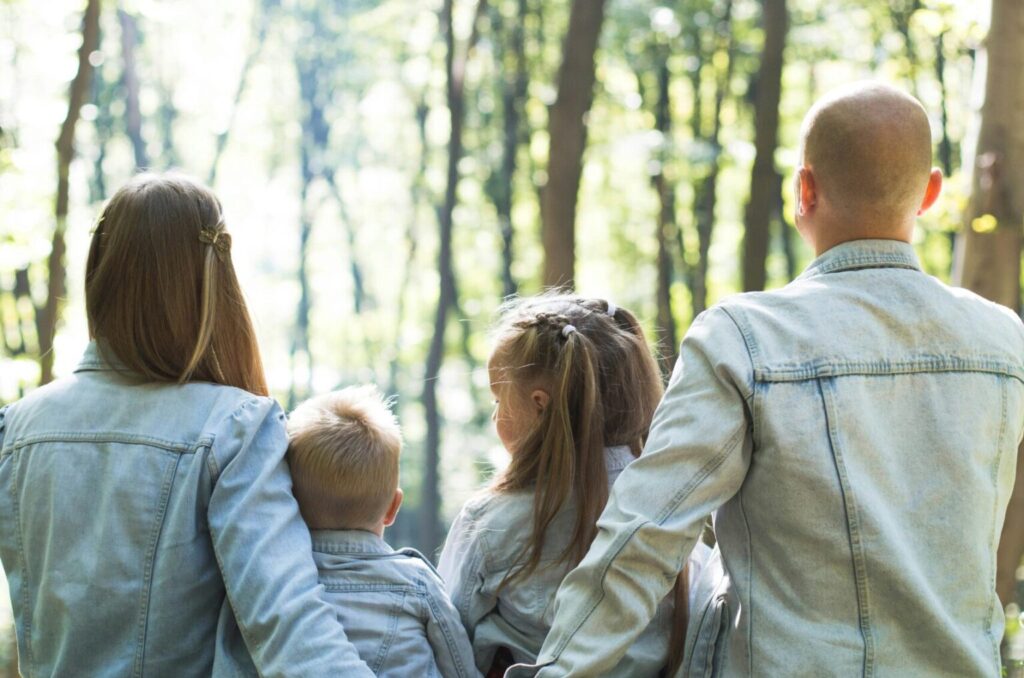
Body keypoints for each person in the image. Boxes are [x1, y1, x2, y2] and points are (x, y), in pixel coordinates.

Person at [507, 83, 1024, 677]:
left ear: (804, 190)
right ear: (931, 192)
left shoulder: (745, 339)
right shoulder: (1003, 342)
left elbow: (645, 536)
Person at [0, 173, 373, 676]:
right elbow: (292, 631)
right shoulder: (235, 429)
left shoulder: (16, 430)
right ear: (214, 282)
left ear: (99, 274)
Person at [439, 294, 712, 677]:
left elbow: (447, 643)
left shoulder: (489, 523)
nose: (496, 416)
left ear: (539, 405)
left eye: (498, 400)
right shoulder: (675, 515)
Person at [285, 385, 479, 678]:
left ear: (290, 503)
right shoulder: (416, 582)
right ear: (393, 507)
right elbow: (461, 670)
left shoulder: (282, 583)